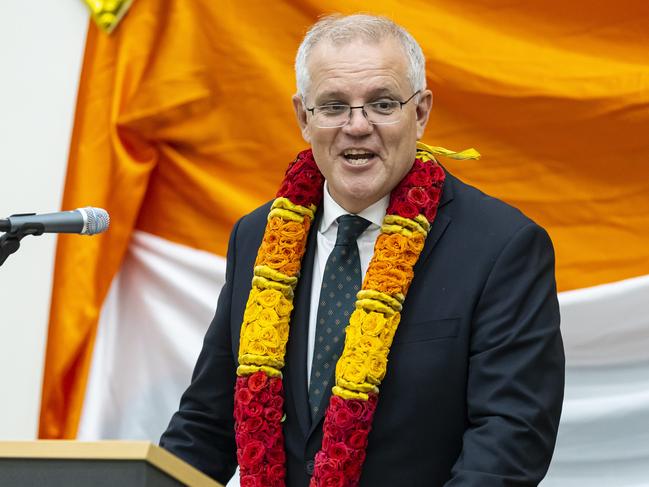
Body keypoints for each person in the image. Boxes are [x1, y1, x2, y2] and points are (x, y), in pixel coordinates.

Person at [160, 14, 564, 487]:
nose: (357, 126)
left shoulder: (502, 246)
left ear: (421, 112)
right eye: (333, 106)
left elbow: (509, 440)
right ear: (303, 117)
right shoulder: (256, 237)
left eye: (382, 103)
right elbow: (207, 424)